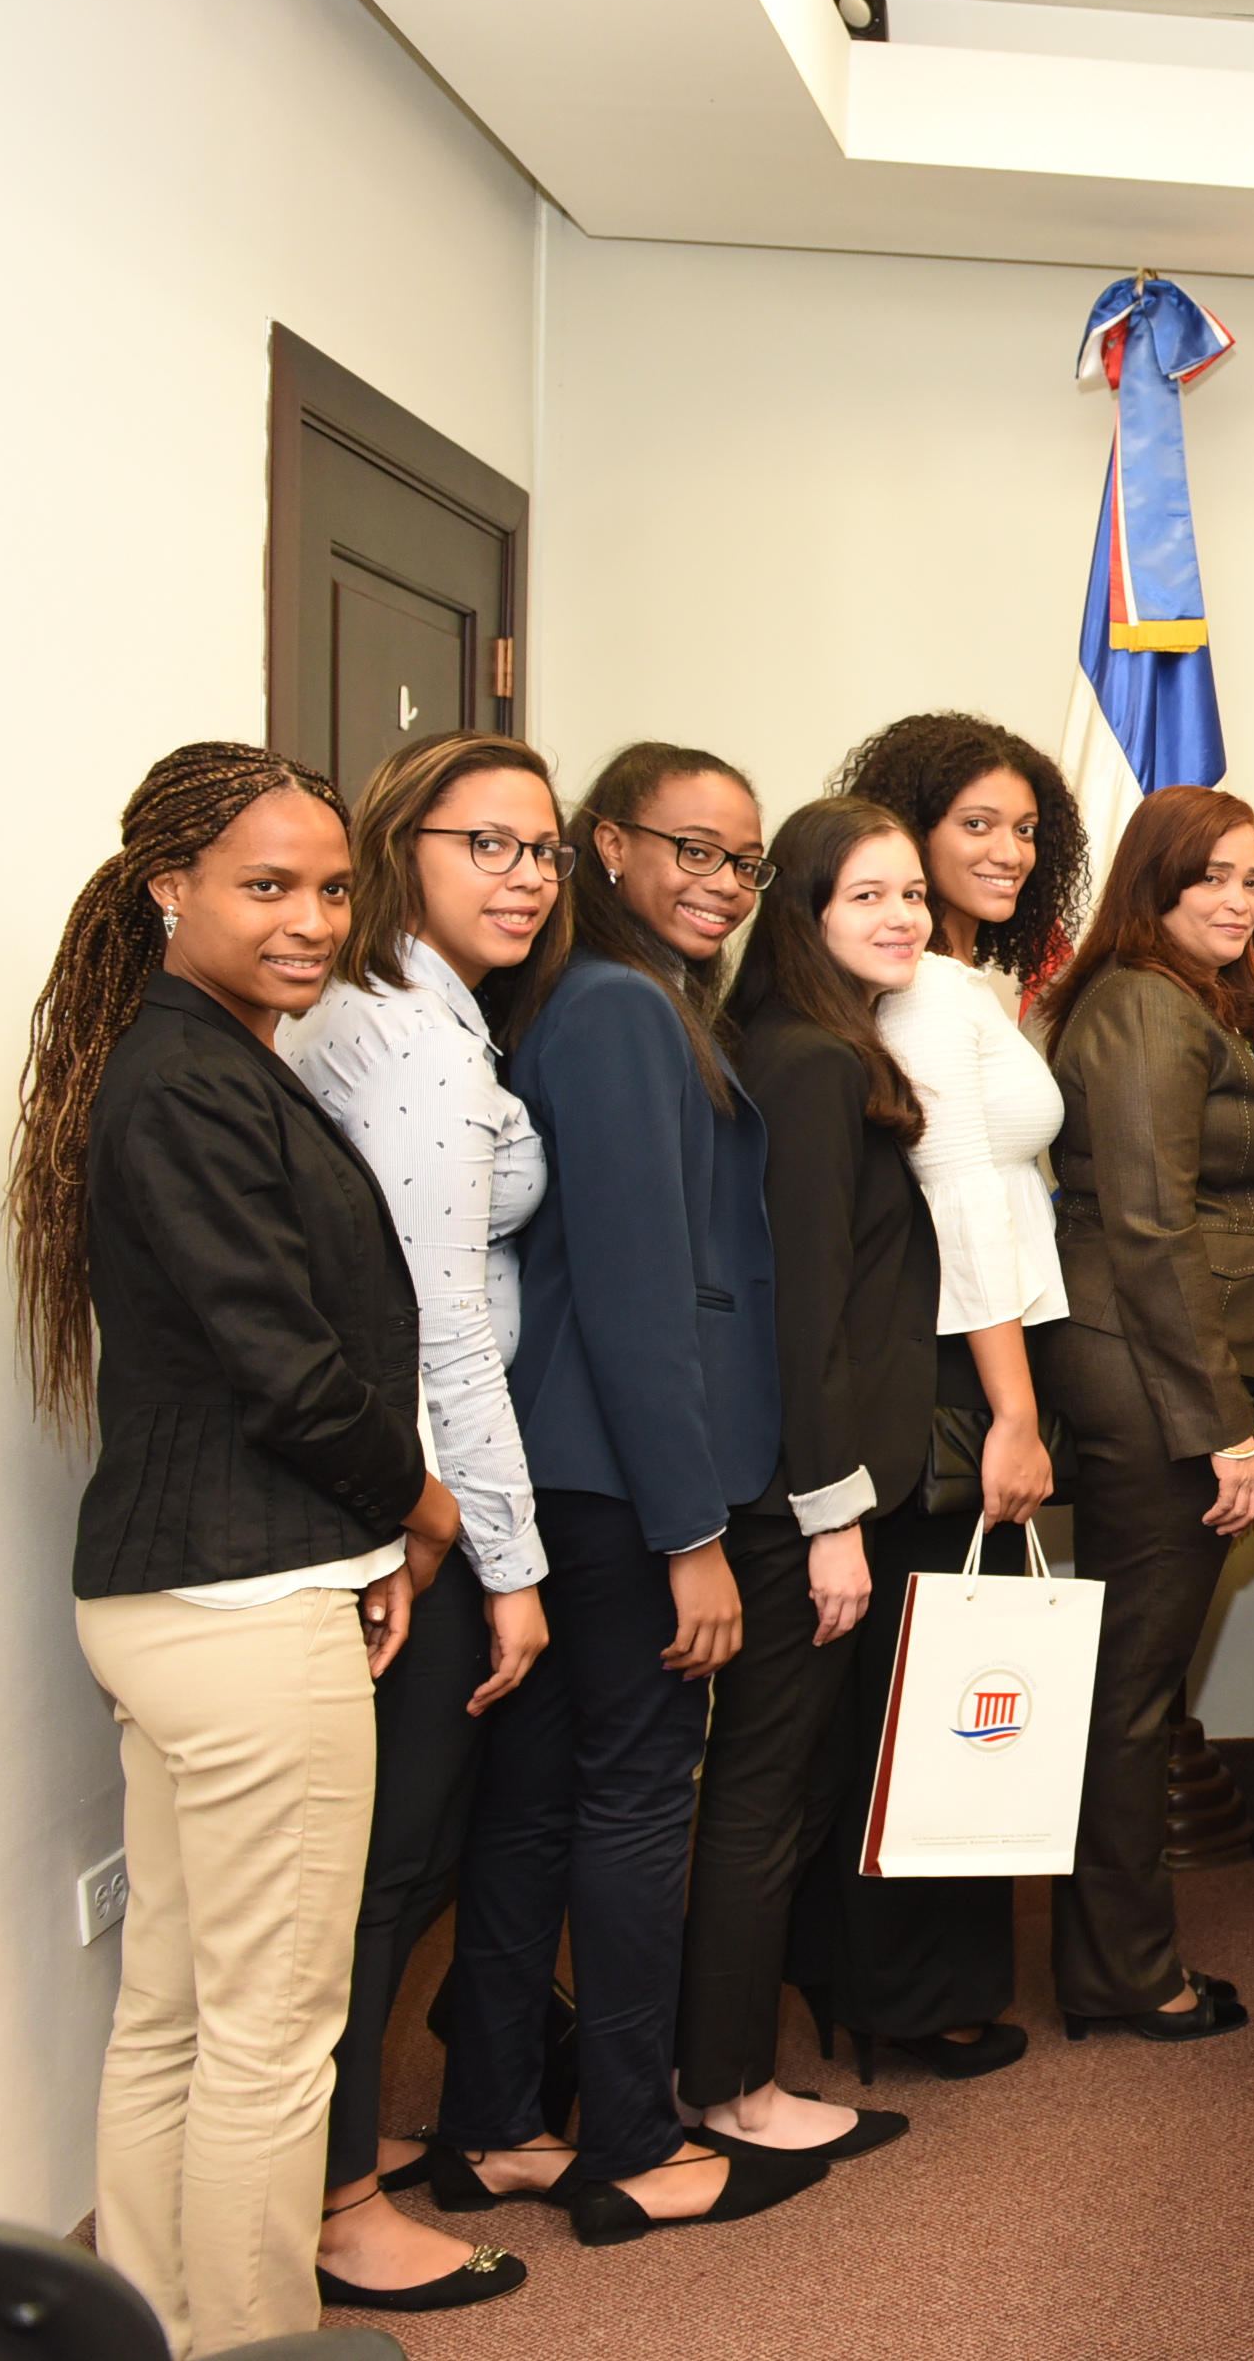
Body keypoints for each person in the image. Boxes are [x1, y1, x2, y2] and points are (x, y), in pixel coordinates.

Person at [15, 745, 448, 2350]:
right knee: (274, 2033)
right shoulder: (189, 1077)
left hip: (198, 1596)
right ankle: (250, 2341)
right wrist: (420, 1508)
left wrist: (361, 1552)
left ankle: (155, 2325)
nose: (312, 919)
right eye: (269, 886)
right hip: (239, 1604)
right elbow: (285, 1367)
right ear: (168, 893)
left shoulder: (196, 1058)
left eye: (333, 888)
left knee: (179, 2016)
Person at [436, 742, 820, 2246]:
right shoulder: (610, 1008)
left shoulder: (632, 998)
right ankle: (634, 2146)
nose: (721, 882)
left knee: (536, 1807)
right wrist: (693, 1536)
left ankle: (493, 2130)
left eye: (743, 861)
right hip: (621, 1480)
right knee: (633, 1805)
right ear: (607, 845)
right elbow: (641, 1293)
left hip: (578, 1480)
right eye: (690, 850)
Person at [282, 733, 569, 2314]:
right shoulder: (414, 1043)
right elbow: (445, 1327)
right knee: (387, 1875)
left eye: (543, 850)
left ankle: (344, 2180)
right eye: (489, 844)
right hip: (429, 1515)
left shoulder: (420, 1014)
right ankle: (342, 2202)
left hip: (418, 1500)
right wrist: (507, 1567)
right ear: (406, 847)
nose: (524, 875)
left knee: (391, 1867)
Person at [809, 710, 1082, 2080]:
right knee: (935, 1697)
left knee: (951, 1688)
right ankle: (905, 1996)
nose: (1010, 851)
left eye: (1028, 827)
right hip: (952, 1372)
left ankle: (911, 1983)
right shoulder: (923, 990)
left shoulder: (965, 982)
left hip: (979, 1358)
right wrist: (1016, 1416)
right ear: (904, 831)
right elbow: (964, 1205)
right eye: (975, 823)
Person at [673, 799, 939, 2161]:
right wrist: (832, 1517)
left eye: (913, 894)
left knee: (789, 1788)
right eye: (867, 896)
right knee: (767, 1797)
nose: (903, 916)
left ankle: (719, 2061)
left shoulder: (818, 1045)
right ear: (806, 914)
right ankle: (724, 2085)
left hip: (819, 1492)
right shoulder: (813, 1067)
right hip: (805, 1504)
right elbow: (802, 1313)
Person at [1035, 783, 1254, 2042]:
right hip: (1151, 1387)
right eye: (1213, 876)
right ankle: (1126, 1970)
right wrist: (1222, 1426)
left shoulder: (1187, 1001)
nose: (1240, 901)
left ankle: (1113, 1954)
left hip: (1159, 1374)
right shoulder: (1142, 1007)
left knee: (1129, 1685)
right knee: (1130, 1694)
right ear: (1153, 882)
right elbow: (1147, 1225)